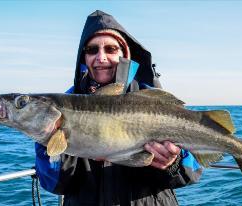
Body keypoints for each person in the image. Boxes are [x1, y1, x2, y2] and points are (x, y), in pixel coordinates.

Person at [35, 10, 202, 206]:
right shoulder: (63, 105)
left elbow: (193, 171)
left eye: (111, 49)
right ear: (84, 57)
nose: (101, 57)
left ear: (124, 54)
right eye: (92, 50)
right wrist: (49, 144)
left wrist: (171, 164)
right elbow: (55, 183)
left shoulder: (152, 99)